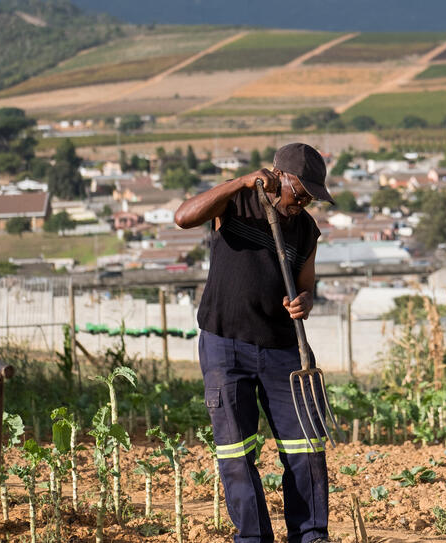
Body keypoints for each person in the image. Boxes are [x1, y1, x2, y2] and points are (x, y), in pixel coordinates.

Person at [174, 142, 334, 543]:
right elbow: (182, 217)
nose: (305, 201)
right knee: (236, 454)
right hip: (225, 346)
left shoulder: (306, 229)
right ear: (278, 176)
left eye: (312, 196)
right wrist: (240, 182)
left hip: (285, 351)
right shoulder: (235, 204)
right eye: (300, 192)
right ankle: (253, 538)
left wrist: (304, 302)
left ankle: (311, 536)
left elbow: (307, 285)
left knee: (306, 448)